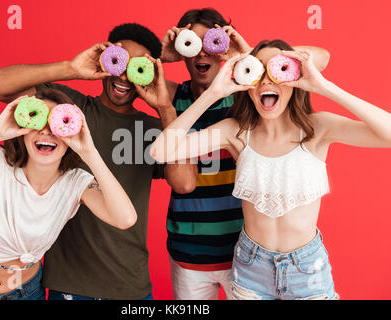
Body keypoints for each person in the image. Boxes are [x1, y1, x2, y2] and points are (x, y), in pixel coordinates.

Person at [150, 39, 391, 300]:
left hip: (307, 269)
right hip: (251, 267)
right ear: (248, 83)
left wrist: (324, 87)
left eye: (277, 71)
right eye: (257, 71)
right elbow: (160, 152)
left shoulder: (317, 128)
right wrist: (213, 94)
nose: (266, 81)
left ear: (293, 79)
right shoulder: (236, 132)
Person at [0, 23, 192, 300]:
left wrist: (165, 108)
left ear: (148, 73)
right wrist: (72, 68)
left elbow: (185, 182)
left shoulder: (151, 129)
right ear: (105, 60)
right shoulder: (66, 110)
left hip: (131, 286)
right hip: (70, 285)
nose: (124, 76)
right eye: (118, 61)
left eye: (135, 67)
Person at [158, 8, 330, 300]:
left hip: (245, 249)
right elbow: (132, 76)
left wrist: (249, 55)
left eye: (212, 41)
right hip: (190, 248)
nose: (202, 52)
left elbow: (321, 57)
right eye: (193, 43)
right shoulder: (172, 95)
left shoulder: (246, 92)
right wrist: (161, 56)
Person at [0, 88, 137, 300]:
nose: (46, 131)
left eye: (57, 124)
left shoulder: (76, 183)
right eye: (37, 121)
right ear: (22, 130)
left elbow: (125, 218)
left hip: (28, 292)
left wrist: (89, 151)